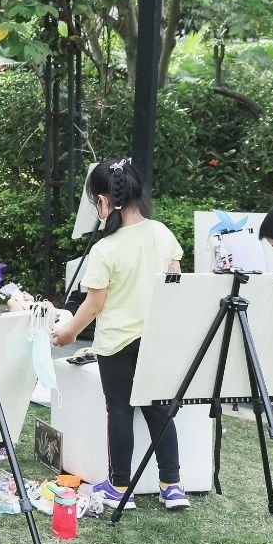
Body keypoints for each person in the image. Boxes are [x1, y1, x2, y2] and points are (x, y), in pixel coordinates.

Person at [50, 157, 189, 511]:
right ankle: (172, 486)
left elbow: (93, 305)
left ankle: (119, 487)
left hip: (116, 344)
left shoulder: (105, 249)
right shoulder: (162, 233)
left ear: (103, 201)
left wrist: (67, 333)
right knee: (159, 410)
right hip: (155, 340)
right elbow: (175, 281)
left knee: (120, 410)